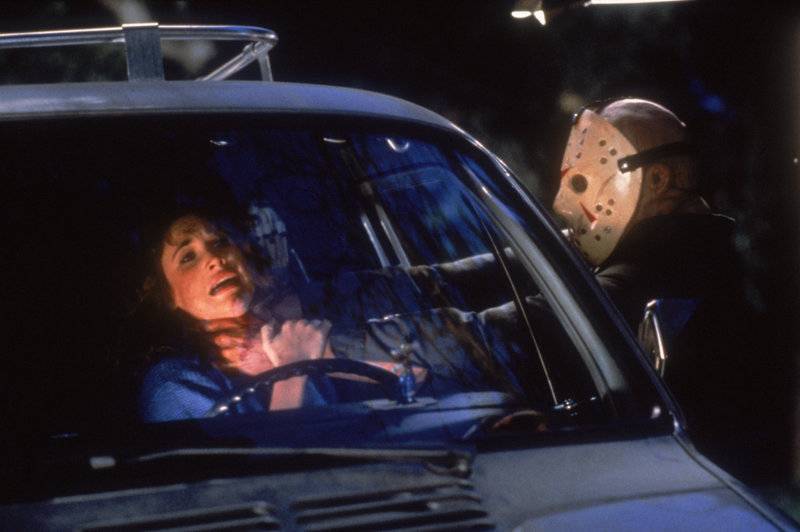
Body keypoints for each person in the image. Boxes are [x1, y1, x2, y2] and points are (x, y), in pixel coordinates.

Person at [137, 213, 334, 422]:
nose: (215, 259)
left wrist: (327, 358)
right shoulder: (174, 386)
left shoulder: (292, 337)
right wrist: (292, 370)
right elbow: (276, 445)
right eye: (187, 257)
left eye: (220, 242)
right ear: (169, 295)